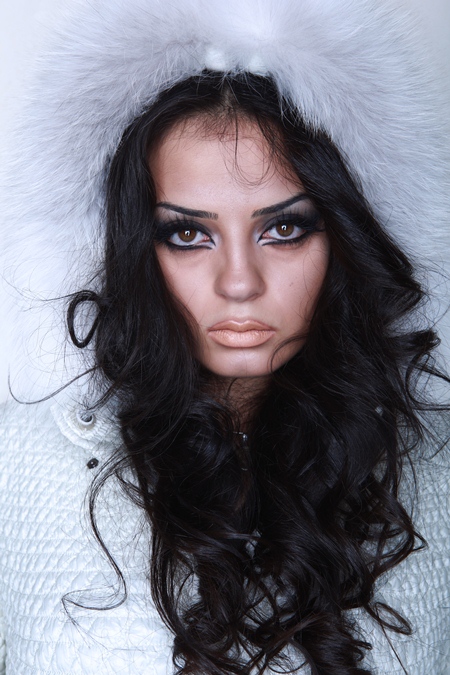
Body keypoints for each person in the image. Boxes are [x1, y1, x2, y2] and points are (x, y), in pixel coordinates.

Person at [0, 0, 449, 674]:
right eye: (188, 233)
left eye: (283, 228)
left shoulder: (436, 472)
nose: (239, 282)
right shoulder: (17, 465)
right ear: (135, 248)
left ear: (343, 238)